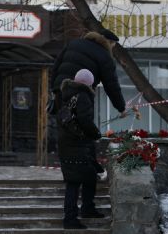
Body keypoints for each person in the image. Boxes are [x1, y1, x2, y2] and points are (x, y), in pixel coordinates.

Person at [58, 69, 104, 229]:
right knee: (75, 182)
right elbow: (84, 120)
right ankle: (71, 218)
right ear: (89, 83)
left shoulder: (68, 94)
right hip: (78, 145)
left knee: (87, 177)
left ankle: (87, 209)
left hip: (68, 144)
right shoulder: (83, 96)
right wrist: (96, 133)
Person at [50, 29, 126, 116]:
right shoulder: (105, 57)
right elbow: (111, 86)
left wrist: (53, 88)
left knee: (62, 122)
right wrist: (121, 108)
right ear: (109, 42)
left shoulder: (73, 43)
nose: (112, 48)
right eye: (113, 45)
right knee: (81, 125)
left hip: (60, 90)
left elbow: (56, 67)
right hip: (81, 95)